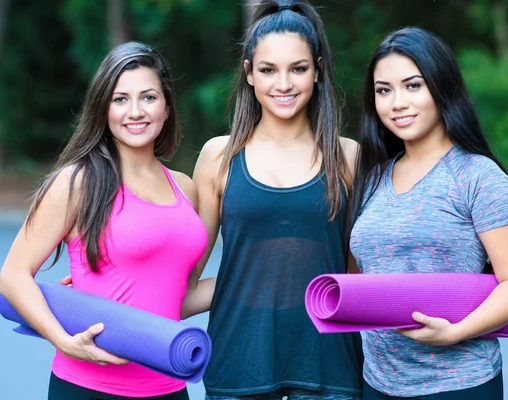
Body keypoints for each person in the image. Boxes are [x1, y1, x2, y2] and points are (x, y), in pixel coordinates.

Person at [0, 41, 212, 400]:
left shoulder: (185, 188)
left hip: (170, 385)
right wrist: (64, 342)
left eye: (148, 97)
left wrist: (255, 274)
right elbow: (13, 275)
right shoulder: (78, 182)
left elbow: (181, 296)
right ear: (104, 109)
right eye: (120, 99)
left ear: (166, 107)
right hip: (89, 387)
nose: (135, 111)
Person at [180, 1, 363, 399]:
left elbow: (353, 277)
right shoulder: (218, 156)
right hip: (238, 361)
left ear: (317, 70)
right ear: (248, 73)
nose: (284, 84)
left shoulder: (349, 156)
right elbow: (185, 282)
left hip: (327, 365)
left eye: (298, 68)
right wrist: (105, 289)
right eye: (268, 70)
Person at [348, 27, 508, 400]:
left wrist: (457, 331)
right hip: (377, 382)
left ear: (441, 86)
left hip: (458, 383)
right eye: (383, 90)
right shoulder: (373, 178)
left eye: (413, 85)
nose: (397, 102)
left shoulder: (478, 177)